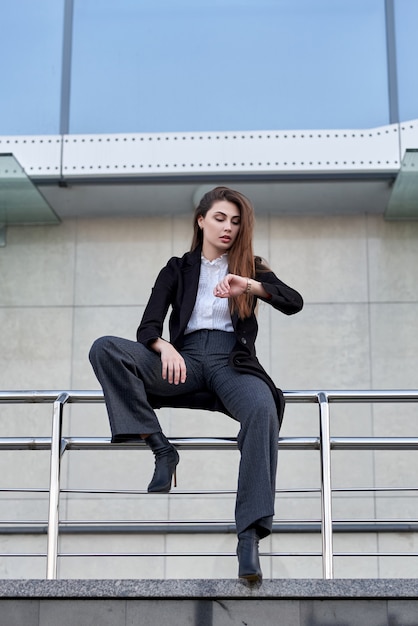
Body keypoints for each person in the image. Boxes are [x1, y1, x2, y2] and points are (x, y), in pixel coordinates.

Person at [89, 186, 303, 584]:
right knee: (105, 349)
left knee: (262, 408)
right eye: (220, 218)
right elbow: (147, 325)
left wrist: (250, 285)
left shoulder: (249, 267)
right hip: (182, 361)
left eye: (236, 222)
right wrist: (162, 347)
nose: (228, 228)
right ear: (201, 220)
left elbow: (294, 301)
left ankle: (249, 536)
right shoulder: (177, 267)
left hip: (232, 364)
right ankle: (160, 448)